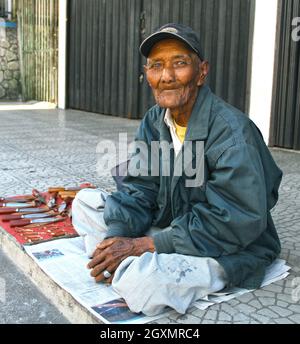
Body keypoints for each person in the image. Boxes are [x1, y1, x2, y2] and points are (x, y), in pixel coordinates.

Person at [72, 23, 282, 316]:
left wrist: (144, 244)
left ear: (202, 71)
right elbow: (140, 186)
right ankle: (122, 261)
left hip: (229, 245)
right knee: (84, 203)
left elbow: (235, 220)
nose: (167, 77)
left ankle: (134, 269)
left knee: (142, 285)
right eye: (156, 66)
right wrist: (116, 238)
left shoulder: (233, 133)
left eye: (180, 64)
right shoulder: (154, 120)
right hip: (170, 227)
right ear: (147, 75)